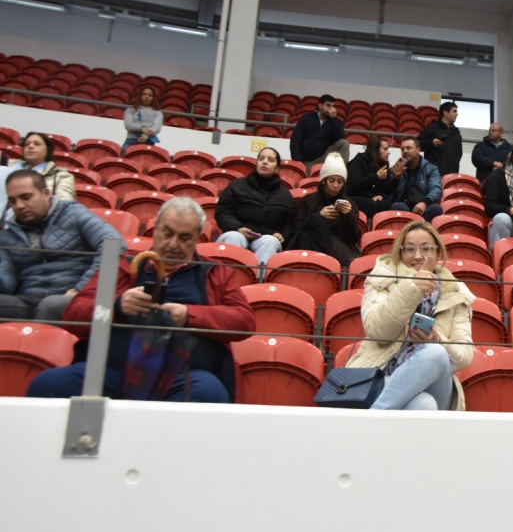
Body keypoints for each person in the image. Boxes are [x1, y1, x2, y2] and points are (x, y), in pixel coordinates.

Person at [27, 197, 256, 403]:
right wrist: (117, 305)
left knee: (210, 393)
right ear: (155, 230)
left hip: (182, 377)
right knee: (47, 385)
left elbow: (244, 321)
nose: (173, 244)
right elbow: (74, 313)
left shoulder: (217, 272)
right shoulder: (122, 263)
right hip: (111, 371)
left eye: (184, 237)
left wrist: (188, 314)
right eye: (167, 233)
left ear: (197, 238)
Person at [344, 221, 474, 410]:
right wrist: (411, 287)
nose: (418, 256)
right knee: (424, 404)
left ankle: (371, 419)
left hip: (436, 382)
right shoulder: (383, 277)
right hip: (382, 376)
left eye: (426, 249)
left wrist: (438, 340)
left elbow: (465, 356)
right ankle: (376, 417)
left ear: (438, 253)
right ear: (400, 253)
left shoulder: (456, 291)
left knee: (435, 352)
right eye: (410, 249)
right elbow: (378, 331)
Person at [0, 170, 125, 321]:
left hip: (71, 297)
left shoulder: (74, 213)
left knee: (51, 305)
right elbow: (7, 283)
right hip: (27, 300)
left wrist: (82, 288)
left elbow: (115, 245)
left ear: (46, 193)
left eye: (26, 197)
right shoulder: (6, 236)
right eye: (12, 201)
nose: (19, 206)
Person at [215, 147, 295, 266]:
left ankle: (259, 277)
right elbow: (223, 212)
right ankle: (227, 275)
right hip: (238, 232)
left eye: (270, 160)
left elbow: (289, 222)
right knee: (234, 237)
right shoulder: (237, 185)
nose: (265, 162)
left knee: (270, 241)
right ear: (256, 163)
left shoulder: (285, 194)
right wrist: (238, 228)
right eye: (261, 158)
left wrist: (282, 235)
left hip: (266, 236)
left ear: (277, 168)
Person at [287, 153, 361, 267]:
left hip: (339, 247)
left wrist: (349, 216)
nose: (335, 185)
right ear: (323, 181)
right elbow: (296, 229)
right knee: (306, 235)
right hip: (310, 244)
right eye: (332, 180)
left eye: (340, 182)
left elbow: (354, 238)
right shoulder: (308, 201)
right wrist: (319, 216)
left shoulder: (350, 205)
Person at [346, 135, 400, 223]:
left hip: (372, 197)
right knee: (370, 204)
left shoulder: (384, 164)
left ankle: (379, 228)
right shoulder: (359, 161)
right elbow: (353, 184)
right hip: (355, 196)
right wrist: (376, 177)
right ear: (376, 150)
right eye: (385, 149)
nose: (389, 152)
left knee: (386, 204)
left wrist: (396, 179)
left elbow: (384, 189)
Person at [389, 136, 443, 222]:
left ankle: (424, 230)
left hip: (424, 207)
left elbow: (436, 189)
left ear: (418, 150)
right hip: (404, 207)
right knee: (397, 206)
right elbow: (389, 193)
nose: (405, 151)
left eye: (408, 148)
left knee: (435, 208)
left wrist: (425, 202)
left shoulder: (431, 169)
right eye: (402, 149)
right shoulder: (396, 169)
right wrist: (396, 179)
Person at [9, 132, 75, 201]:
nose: (30, 146)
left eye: (37, 144)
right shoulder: (8, 166)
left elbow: (65, 204)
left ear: (48, 150)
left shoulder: (62, 176)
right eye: (27, 144)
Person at [289, 94, 348, 170]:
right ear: (320, 105)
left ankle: (341, 172)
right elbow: (295, 140)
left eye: (333, 106)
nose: (331, 109)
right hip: (307, 163)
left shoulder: (336, 122)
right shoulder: (306, 118)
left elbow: (341, 139)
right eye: (328, 105)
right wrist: (298, 161)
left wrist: (334, 119)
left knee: (344, 143)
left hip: (325, 160)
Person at [418, 102, 462, 177]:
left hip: (452, 174)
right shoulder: (432, 128)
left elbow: (459, 153)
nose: (457, 114)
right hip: (433, 174)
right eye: (454, 111)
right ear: (445, 112)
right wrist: (431, 143)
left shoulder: (456, 132)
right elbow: (418, 143)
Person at [122, 85, 163, 155]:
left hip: (148, 142)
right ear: (140, 96)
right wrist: (141, 128)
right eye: (144, 94)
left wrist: (144, 137)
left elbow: (156, 129)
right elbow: (128, 125)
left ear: (153, 98)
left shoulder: (158, 113)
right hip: (131, 141)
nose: (147, 97)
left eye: (150, 95)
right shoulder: (130, 110)